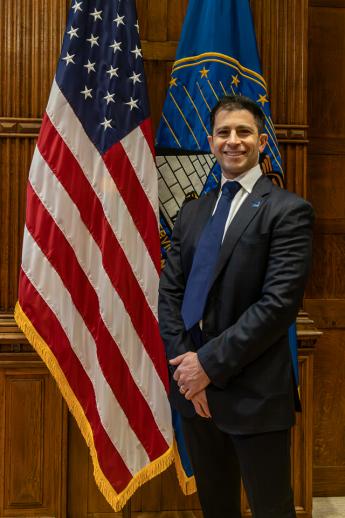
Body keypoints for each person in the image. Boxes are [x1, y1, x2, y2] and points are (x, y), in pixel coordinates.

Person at [158, 95, 314, 518]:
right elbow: (170, 295)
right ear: (210, 142)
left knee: (271, 509)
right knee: (217, 508)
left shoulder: (288, 211)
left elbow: (277, 306)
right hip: (194, 394)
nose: (233, 141)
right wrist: (188, 373)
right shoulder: (191, 213)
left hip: (255, 395)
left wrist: (207, 364)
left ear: (262, 141)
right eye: (224, 133)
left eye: (244, 132)